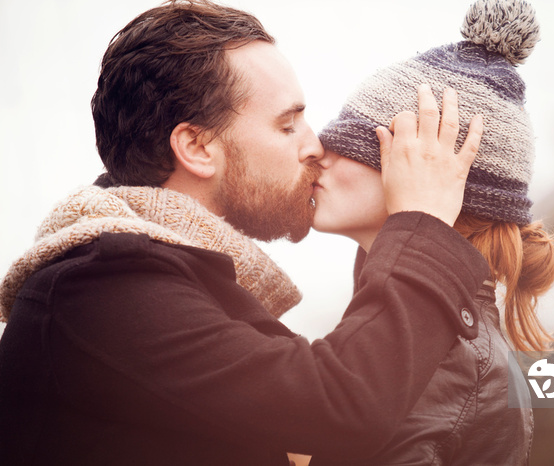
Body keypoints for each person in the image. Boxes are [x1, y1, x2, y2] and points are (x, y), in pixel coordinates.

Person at [0, 1, 487, 465]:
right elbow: (339, 405)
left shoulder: (157, 276)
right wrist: (421, 221)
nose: (315, 143)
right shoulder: (101, 291)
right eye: (287, 125)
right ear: (196, 147)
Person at [310, 0, 554, 464]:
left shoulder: (438, 357)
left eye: (355, 142)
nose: (319, 152)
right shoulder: (416, 328)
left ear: (437, 177)